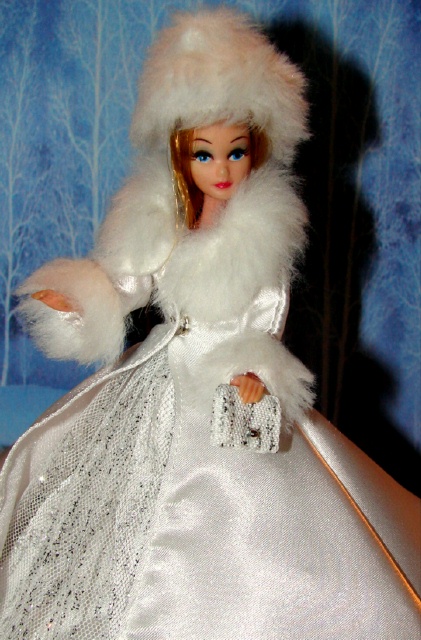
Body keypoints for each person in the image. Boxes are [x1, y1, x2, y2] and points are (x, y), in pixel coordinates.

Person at [0, 9, 419, 639]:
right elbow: (128, 281)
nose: (221, 168)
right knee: (98, 489)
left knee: (243, 512)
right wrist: (82, 299)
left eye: (236, 151)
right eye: (204, 153)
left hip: (230, 379)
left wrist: (256, 370)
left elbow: (267, 315)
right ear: (180, 152)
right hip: (161, 373)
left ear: (258, 146)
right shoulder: (160, 217)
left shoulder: (264, 231)